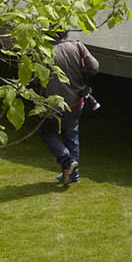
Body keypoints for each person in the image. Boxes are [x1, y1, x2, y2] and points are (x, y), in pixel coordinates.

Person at [43, 32, 97, 186]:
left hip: (53, 103)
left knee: (46, 133)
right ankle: (73, 174)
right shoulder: (77, 45)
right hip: (75, 100)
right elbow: (94, 67)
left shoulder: (44, 51)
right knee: (71, 135)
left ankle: (68, 161)